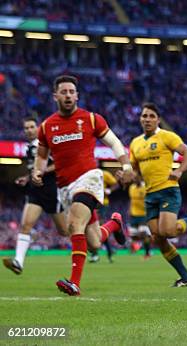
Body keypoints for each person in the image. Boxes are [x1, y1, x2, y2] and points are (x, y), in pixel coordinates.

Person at [34, 75, 130, 296]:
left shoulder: (92, 119)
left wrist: (125, 167)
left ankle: (74, 283)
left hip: (89, 178)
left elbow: (114, 142)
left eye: (71, 92)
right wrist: (37, 171)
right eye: (64, 92)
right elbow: (41, 156)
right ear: (55, 96)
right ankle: (114, 223)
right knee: (95, 242)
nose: (68, 95)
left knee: (74, 225)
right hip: (64, 188)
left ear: (77, 95)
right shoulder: (47, 126)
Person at [122, 102, 187, 287]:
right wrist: (126, 176)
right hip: (149, 195)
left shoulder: (167, 136)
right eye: (144, 116)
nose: (147, 119)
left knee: (168, 231)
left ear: (157, 119)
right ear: (140, 119)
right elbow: (135, 172)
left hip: (167, 189)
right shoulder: (135, 143)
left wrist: (179, 171)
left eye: (151, 116)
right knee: (158, 238)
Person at [3, 116, 68, 275]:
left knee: (65, 231)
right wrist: (26, 178)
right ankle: (19, 261)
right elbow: (35, 168)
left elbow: (59, 164)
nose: (29, 130)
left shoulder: (46, 143)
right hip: (35, 191)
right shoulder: (29, 148)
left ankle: (92, 237)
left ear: (38, 128)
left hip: (51, 190)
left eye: (32, 127)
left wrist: (42, 171)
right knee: (25, 225)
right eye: (26, 128)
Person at [127, 178, 152, 259]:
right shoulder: (131, 187)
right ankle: (137, 247)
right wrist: (129, 209)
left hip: (144, 214)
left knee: (143, 233)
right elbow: (131, 200)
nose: (134, 178)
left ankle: (147, 253)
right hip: (134, 214)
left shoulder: (145, 187)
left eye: (136, 177)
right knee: (133, 235)